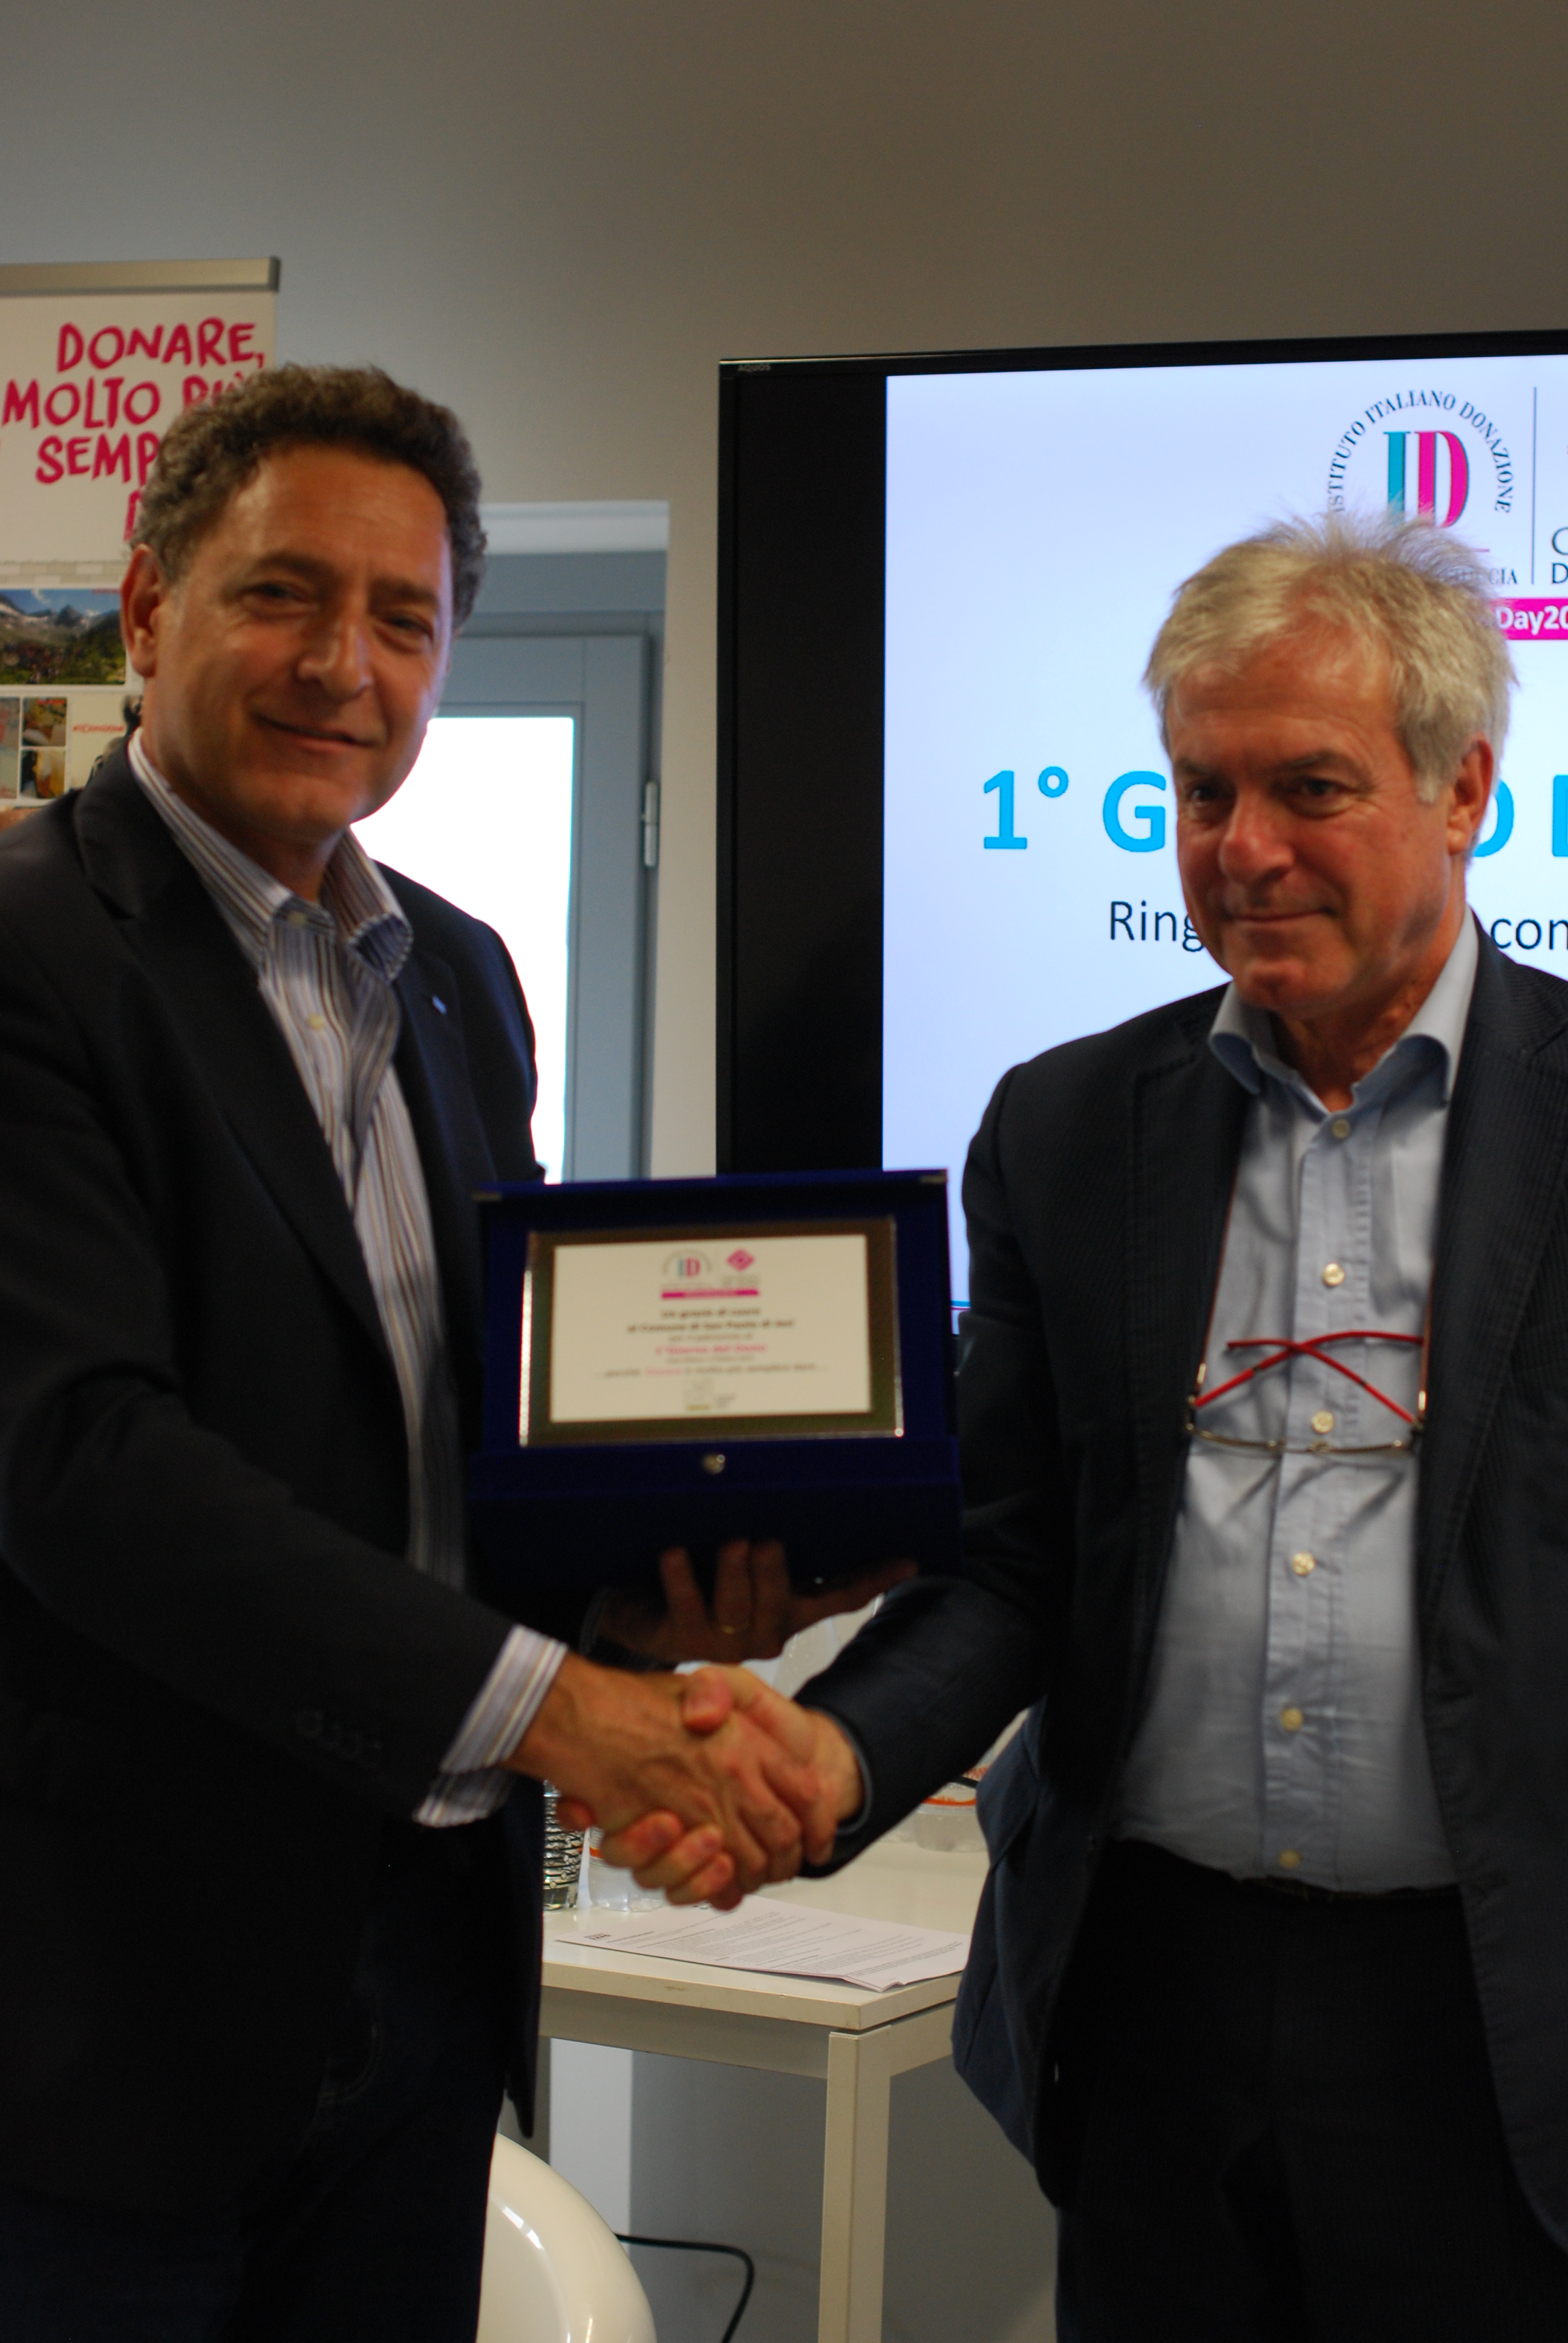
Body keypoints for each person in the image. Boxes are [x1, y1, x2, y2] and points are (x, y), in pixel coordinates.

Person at [0, 362, 884, 2342]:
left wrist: (657, 1595)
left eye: (404, 620)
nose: (346, 665)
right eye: (283, 595)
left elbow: (467, 1442)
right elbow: (84, 1471)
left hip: (424, 1979)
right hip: (109, 2020)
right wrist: (568, 1712)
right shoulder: (32, 954)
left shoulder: (461, 981)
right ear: (145, 607)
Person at [642, 513, 1568, 2338]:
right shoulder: (1069, 1126)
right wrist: (835, 1758)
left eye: (1310, 788)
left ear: (1465, 789)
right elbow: (1013, 1565)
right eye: (1202, 791)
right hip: (1151, 2002)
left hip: (1502, 2011)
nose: (1244, 848)